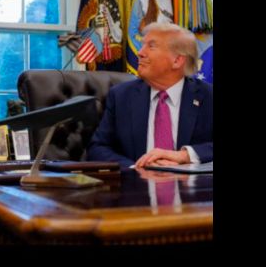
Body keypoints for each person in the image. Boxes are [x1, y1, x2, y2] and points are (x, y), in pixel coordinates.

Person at [88, 23, 213, 169]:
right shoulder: (121, 96)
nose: (140, 53)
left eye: (151, 46)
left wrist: (185, 156)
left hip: (190, 182)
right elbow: (98, 148)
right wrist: (136, 169)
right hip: (135, 181)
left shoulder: (208, 96)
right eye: (142, 45)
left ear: (177, 60)